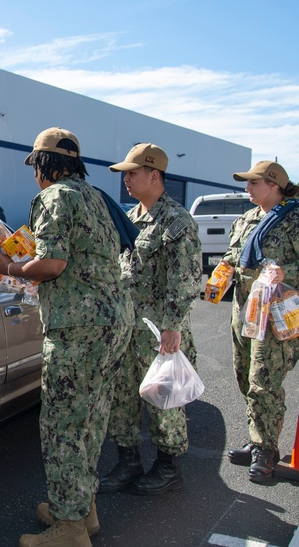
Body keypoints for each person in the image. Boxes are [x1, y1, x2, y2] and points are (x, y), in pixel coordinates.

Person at [0, 127, 131, 547]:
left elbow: (51, 264)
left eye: (36, 165)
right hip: (111, 322)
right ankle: (82, 509)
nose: (35, 175)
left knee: (63, 425)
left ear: (46, 164)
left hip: (79, 327)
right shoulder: (95, 197)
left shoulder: (55, 197)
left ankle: (69, 530)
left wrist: (7, 267)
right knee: (90, 420)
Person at [217, 161, 299, 483]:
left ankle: (265, 450)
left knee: (263, 382)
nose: (247, 189)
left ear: (273, 184)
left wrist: (287, 272)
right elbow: (233, 254)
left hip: (275, 316)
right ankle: (257, 437)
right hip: (244, 312)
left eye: (253, 183)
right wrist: (223, 271)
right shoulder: (247, 219)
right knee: (244, 376)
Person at [99, 143, 201, 496]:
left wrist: (173, 325)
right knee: (122, 397)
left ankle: (167, 466)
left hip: (160, 330)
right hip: (129, 325)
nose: (126, 179)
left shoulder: (176, 220)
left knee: (163, 399)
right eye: (125, 173)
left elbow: (185, 277)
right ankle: (128, 461)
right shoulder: (134, 218)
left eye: (132, 172)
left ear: (154, 174)